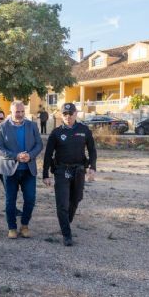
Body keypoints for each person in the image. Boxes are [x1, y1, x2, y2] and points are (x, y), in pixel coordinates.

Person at [43, 102, 97, 247]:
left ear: (75, 114)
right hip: (61, 171)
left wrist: (93, 167)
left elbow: (92, 150)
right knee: (62, 203)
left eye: (70, 113)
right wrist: (45, 174)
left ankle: (66, 222)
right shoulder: (56, 133)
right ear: (61, 115)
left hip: (79, 170)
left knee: (77, 199)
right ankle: (67, 234)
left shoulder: (84, 130)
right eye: (65, 114)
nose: (68, 116)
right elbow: (48, 155)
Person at [0, 100, 43, 239]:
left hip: (28, 169)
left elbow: (39, 144)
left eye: (22, 111)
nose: (20, 114)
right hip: (10, 170)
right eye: (17, 111)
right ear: (11, 111)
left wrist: (30, 155)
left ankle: (24, 225)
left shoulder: (32, 125)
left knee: (30, 199)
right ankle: (12, 228)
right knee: (10, 200)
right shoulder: (2, 127)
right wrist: (16, 156)